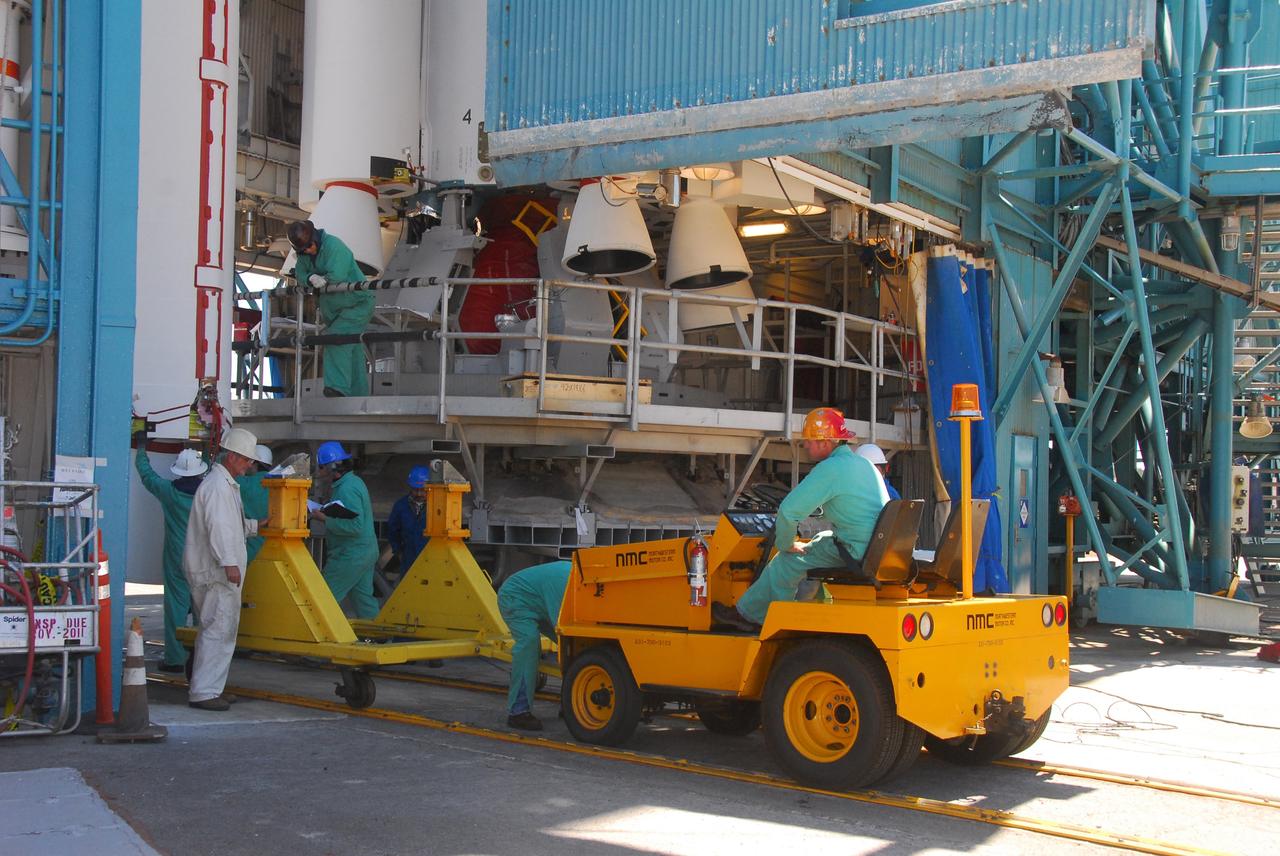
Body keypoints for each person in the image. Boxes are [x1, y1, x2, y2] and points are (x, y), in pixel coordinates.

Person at [713, 407, 889, 632]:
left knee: (787, 560)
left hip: (856, 551)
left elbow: (788, 512)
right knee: (819, 540)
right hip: (874, 547)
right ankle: (807, 608)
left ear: (824, 442)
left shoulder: (831, 469)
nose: (805, 445)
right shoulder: (863, 464)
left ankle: (756, 617)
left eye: (809, 440)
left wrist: (785, 544)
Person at [183, 427, 261, 711]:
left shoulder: (223, 484)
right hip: (215, 573)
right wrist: (229, 562)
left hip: (214, 571)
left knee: (220, 630)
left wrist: (256, 526)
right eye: (247, 460)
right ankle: (204, 692)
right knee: (217, 630)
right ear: (233, 457)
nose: (249, 465)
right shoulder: (218, 486)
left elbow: (230, 525)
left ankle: (211, 687)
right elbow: (219, 528)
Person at [135, 445, 207, 673]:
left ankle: (175, 659)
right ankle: (203, 658)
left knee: (176, 607)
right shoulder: (209, 492)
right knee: (203, 610)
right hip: (204, 559)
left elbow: (147, 476)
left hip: (177, 557)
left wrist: (141, 450)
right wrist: (208, 449)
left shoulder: (168, 491)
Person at [287, 219, 374, 397]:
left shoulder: (334, 246)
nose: (308, 251)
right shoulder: (304, 256)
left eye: (309, 246)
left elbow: (337, 275)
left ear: (315, 237)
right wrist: (310, 278)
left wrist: (321, 280)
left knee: (336, 338)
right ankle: (359, 396)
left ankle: (337, 388)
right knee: (351, 348)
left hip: (357, 304)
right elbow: (301, 273)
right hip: (336, 311)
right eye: (303, 250)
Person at [497, 559, 572, 731]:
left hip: (539, 600)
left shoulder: (579, 581)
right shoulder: (563, 585)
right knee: (529, 645)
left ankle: (571, 705)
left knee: (574, 650)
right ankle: (518, 712)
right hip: (514, 597)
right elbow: (562, 627)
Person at [310, 440, 379, 618]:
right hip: (364, 552)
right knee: (364, 602)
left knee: (323, 598)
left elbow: (355, 526)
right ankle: (375, 633)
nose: (320, 472)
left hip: (350, 555)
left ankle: (319, 633)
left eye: (321, 467)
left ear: (331, 468)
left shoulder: (346, 489)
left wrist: (324, 518)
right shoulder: (354, 482)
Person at [386, 465, 430, 573]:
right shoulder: (401, 506)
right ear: (410, 487)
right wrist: (398, 551)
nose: (419, 494)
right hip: (408, 558)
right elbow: (392, 531)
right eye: (415, 490)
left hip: (431, 558)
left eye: (422, 490)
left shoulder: (437, 507)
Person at [235, 445, 274, 565]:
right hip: (273, 552)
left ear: (253, 463)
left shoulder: (242, 483)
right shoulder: (279, 484)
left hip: (249, 553)